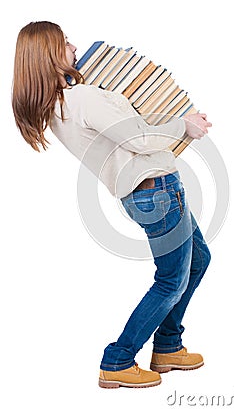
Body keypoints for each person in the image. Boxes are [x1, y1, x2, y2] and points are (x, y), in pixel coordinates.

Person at [12, 21, 212, 389]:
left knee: (198, 260)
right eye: (66, 42)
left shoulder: (59, 107)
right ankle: (118, 360)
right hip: (157, 191)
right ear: (51, 53)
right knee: (170, 280)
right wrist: (185, 125)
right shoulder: (82, 98)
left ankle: (168, 345)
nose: (74, 47)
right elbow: (138, 135)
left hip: (145, 192)